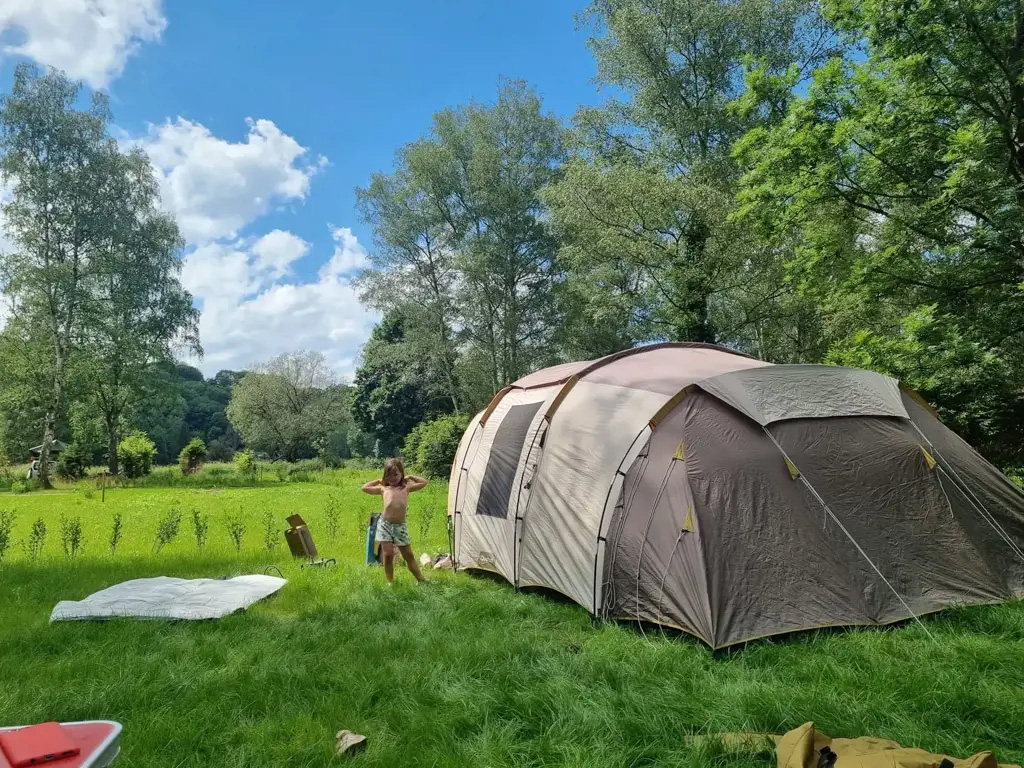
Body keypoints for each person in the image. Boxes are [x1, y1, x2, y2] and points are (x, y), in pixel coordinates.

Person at [361, 458, 429, 585]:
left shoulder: (406, 488)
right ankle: (390, 582)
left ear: (401, 474)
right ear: (385, 476)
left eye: (395, 474)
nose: (392, 478)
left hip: (400, 527)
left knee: (408, 555)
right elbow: (364, 488)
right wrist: (377, 481)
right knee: (387, 555)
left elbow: (424, 482)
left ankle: (421, 580)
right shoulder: (383, 489)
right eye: (388, 475)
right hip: (385, 525)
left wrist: (411, 477)